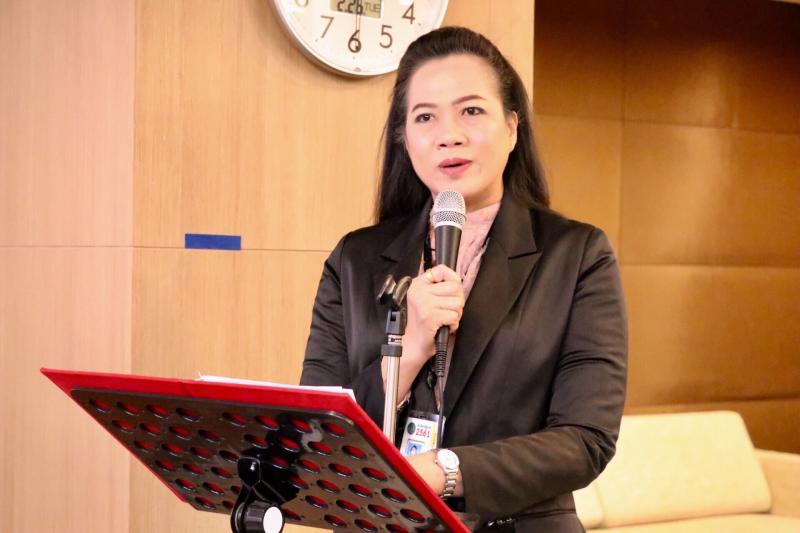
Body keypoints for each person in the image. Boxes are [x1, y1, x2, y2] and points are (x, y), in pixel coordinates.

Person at [301, 26, 627, 533]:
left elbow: (586, 440)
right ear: (404, 138)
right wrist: (409, 349)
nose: (448, 134)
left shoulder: (577, 255)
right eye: (425, 116)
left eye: (471, 111)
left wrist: (446, 470)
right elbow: (317, 431)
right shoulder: (355, 259)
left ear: (512, 128)